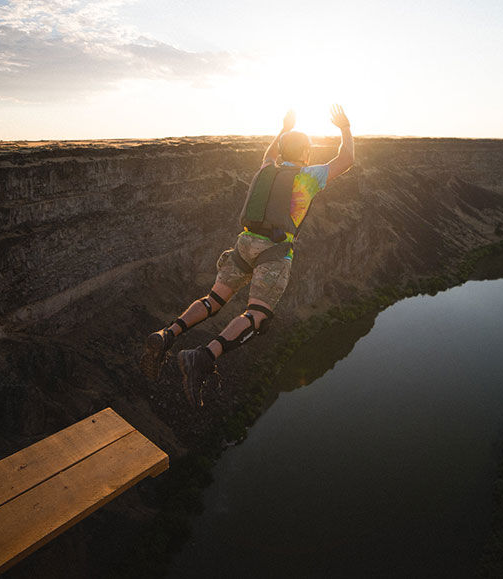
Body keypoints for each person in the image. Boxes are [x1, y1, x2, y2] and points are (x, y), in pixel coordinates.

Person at [142, 104, 355, 406]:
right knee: (258, 316)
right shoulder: (307, 177)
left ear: (281, 152)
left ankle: (168, 333)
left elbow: (269, 154)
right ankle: (202, 357)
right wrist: (345, 127)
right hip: (274, 250)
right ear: (306, 153)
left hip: (243, 245)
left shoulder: (266, 170)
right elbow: (346, 159)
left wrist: (282, 130)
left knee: (214, 300)